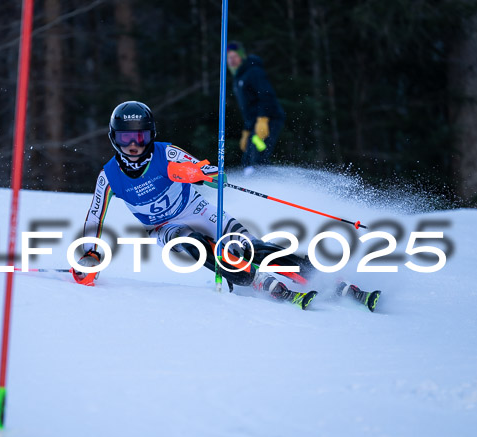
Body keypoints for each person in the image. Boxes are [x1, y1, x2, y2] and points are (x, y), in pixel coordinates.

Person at [72, 101, 321, 309]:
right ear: (113, 138)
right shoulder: (109, 177)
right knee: (195, 244)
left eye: (140, 137)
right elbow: (95, 217)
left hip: (197, 209)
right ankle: (254, 279)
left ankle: (314, 274)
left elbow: (207, 169)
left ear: (151, 135)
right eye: (125, 138)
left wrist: (205, 175)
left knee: (249, 246)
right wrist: (90, 252)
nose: (133, 146)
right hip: (163, 227)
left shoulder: (167, 153)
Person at [227, 41, 286, 175]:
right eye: (229, 57)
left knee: (258, 155)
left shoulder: (253, 71)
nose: (232, 60)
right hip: (254, 123)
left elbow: (266, 95)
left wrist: (263, 119)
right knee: (247, 158)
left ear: (242, 56)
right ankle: (251, 185)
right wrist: (247, 131)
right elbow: (249, 108)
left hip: (269, 119)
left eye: (234, 56)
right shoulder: (239, 78)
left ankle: (266, 186)